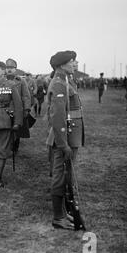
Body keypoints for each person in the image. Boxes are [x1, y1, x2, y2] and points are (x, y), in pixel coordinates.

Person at [46, 50, 84, 230]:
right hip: (64, 138)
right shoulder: (59, 84)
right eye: (71, 61)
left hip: (70, 136)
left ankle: (62, 212)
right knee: (60, 176)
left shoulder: (66, 80)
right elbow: (58, 117)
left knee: (66, 175)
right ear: (61, 65)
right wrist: (63, 144)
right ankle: (58, 217)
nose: (74, 63)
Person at [5, 58, 31, 152]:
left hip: (17, 110)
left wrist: (26, 109)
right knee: (5, 130)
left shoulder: (21, 81)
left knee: (17, 130)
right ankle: (6, 147)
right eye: (7, 67)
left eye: (12, 67)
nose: (9, 69)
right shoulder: (2, 80)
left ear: (15, 69)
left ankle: (15, 147)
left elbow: (26, 96)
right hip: (5, 109)